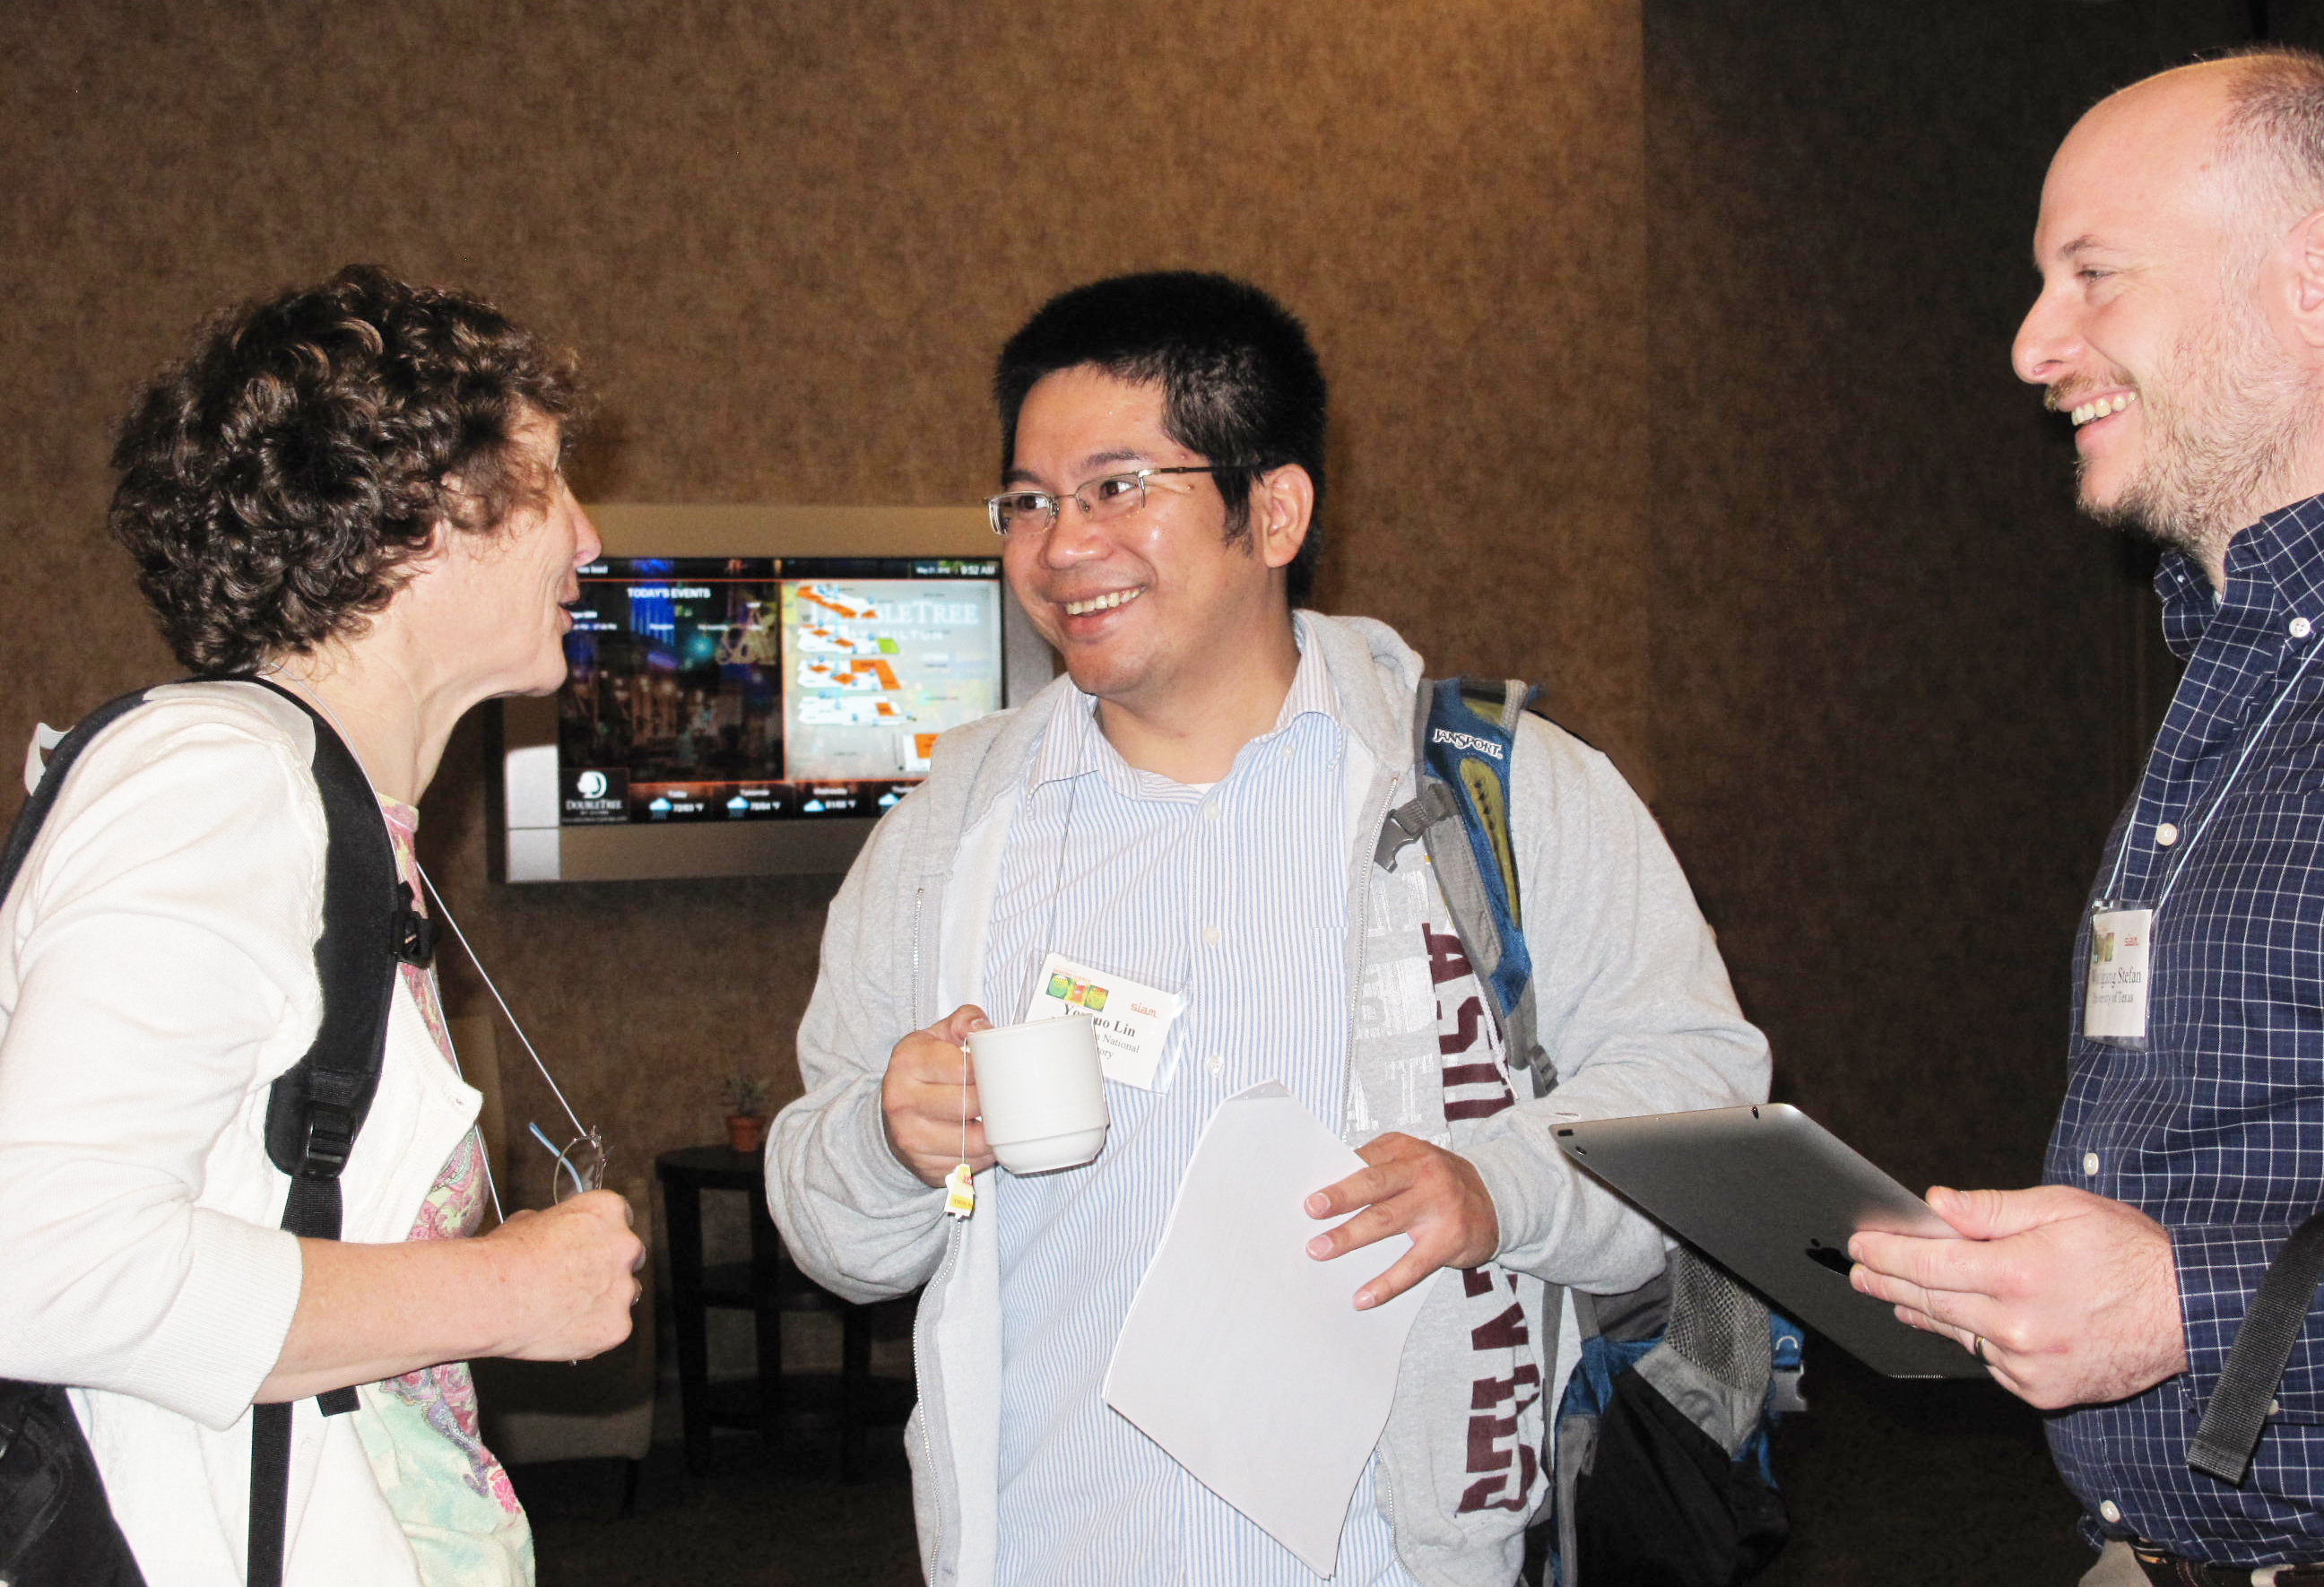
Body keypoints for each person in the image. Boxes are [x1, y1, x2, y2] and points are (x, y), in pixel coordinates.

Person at [767, 271, 1769, 1585]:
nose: (1062, 546)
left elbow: (1704, 1109)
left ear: (1275, 507)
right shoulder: (952, 837)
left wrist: (1495, 1186)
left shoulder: (1497, 793)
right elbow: (827, 1223)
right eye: (1029, 500)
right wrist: (887, 1141)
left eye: (1120, 486)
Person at [0, 265, 645, 1585]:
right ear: (411, 520)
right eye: (547, 484)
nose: (589, 538)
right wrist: (508, 1289)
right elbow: (43, 1259)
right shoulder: (217, 783)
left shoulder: (330, 807)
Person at [1848, 48, 2324, 1585]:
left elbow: (2204, 1282)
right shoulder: (2237, 663)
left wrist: (2189, 1305)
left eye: (2093, 275)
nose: (2031, 344)